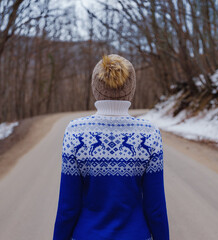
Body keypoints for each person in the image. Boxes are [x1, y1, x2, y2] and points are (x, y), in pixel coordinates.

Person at [53, 54, 170, 240]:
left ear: (95, 88)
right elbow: (155, 209)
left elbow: (68, 208)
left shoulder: (75, 131)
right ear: (131, 90)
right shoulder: (149, 134)